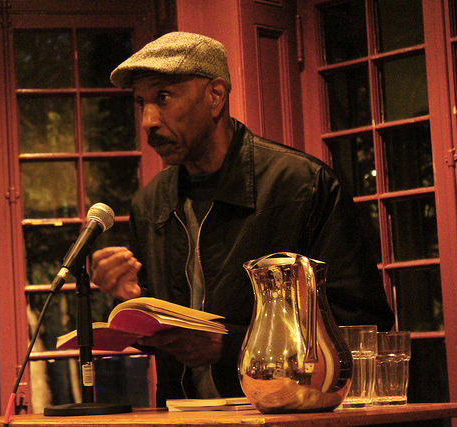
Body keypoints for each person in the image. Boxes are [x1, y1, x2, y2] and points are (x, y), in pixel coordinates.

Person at [91, 31, 394, 406]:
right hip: (182, 414)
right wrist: (132, 303)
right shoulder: (150, 203)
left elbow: (361, 326)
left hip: (284, 413)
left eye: (163, 98)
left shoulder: (302, 186)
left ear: (215, 96)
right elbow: (166, 338)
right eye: (142, 103)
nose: (148, 121)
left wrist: (229, 344)